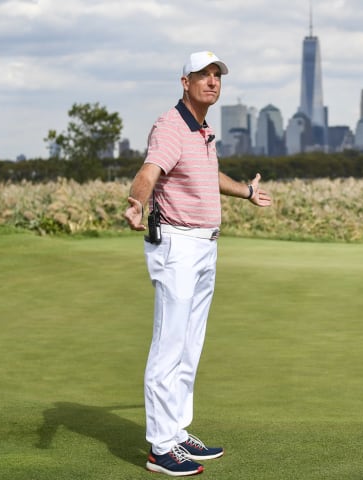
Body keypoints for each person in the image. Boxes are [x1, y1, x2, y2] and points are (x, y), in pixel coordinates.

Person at [123, 50, 272, 476]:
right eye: (202, 75)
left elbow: (207, 178)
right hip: (178, 246)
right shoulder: (171, 126)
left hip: (204, 246)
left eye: (216, 75)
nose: (212, 81)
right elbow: (150, 171)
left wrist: (245, 192)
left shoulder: (201, 130)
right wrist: (137, 202)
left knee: (190, 345)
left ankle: (177, 431)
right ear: (184, 82)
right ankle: (159, 448)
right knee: (170, 346)